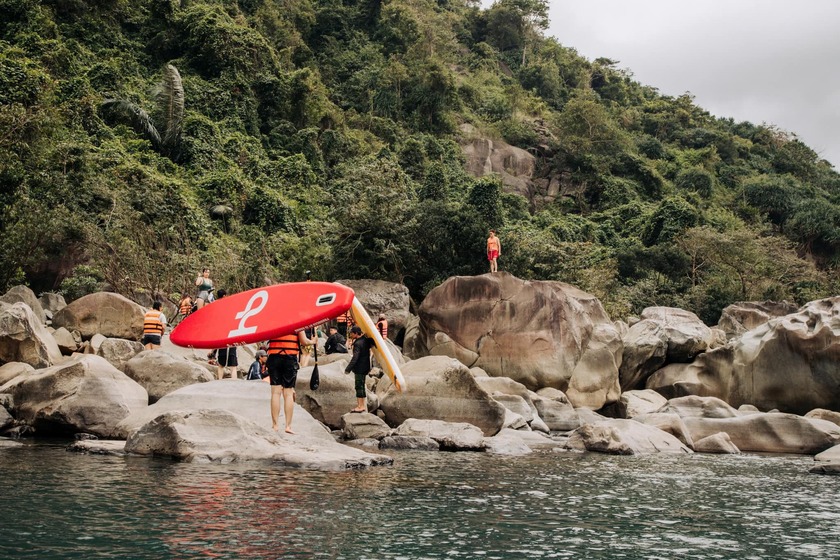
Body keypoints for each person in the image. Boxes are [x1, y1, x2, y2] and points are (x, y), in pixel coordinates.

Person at [266, 330, 309, 433]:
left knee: (275, 392)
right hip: (290, 358)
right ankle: (288, 426)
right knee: (288, 393)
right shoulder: (297, 322)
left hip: (274, 356)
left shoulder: (273, 322)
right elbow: (304, 342)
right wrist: (313, 341)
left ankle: (275, 425)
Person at [344, 325, 375, 413]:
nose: (351, 335)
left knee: (358, 386)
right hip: (366, 367)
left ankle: (360, 406)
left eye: (352, 333)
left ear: (356, 333)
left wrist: (348, 369)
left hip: (359, 368)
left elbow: (355, 357)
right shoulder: (365, 340)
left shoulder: (358, 343)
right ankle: (362, 405)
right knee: (362, 385)